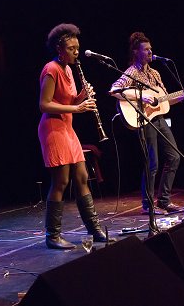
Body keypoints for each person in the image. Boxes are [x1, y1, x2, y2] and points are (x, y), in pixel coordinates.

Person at [38, 23, 114, 249]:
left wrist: (82, 97)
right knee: (61, 181)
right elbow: (44, 105)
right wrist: (77, 109)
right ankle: (52, 235)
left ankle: (94, 229)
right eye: (71, 48)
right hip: (52, 129)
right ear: (59, 49)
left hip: (67, 129)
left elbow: (68, 101)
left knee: (81, 176)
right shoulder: (51, 69)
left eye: (77, 48)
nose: (76, 52)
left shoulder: (69, 69)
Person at [110, 32, 184, 214]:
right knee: (152, 162)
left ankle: (164, 201)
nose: (150, 52)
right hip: (144, 120)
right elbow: (114, 90)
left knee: (174, 157)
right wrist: (140, 95)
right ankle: (148, 205)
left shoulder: (154, 73)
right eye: (146, 49)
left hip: (159, 119)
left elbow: (164, 100)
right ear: (136, 52)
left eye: (151, 49)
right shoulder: (132, 72)